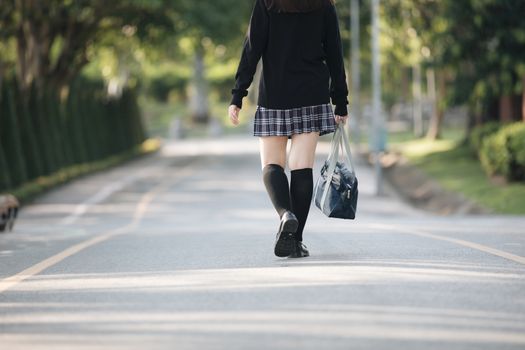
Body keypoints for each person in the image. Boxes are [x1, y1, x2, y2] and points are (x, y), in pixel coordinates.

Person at [228, 0, 349, 258]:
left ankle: (286, 214)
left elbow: (252, 50)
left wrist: (238, 95)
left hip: (276, 95)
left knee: (272, 165)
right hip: (312, 95)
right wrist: (340, 100)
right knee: (301, 168)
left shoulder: (267, 4)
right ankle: (295, 240)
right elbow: (335, 53)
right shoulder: (324, 6)